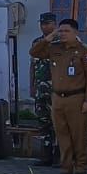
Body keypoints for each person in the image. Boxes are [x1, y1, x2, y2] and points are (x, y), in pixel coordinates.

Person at [29, 17, 87, 174]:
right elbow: (35, 52)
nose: (63, 34)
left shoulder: (84, 51)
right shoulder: (54, 48)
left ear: (76, 33)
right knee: (62, 135)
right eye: (61, 31)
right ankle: (66, 168)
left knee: (79, 135)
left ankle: (80, 168)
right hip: (58, 98)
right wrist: (49, 38)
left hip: (77, 97)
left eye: (67, 31)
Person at [30, 11, 59, 163]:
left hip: (56, 89)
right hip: (41, 89)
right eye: (42, 24)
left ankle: (58, 156)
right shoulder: (38, 43)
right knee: (43, 122)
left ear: (55, 24)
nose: (44, 27)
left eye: (47, 24)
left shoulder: (60, 42)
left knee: (57, 123)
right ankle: (46, 155)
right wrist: (32, 85)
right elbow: (33, 65)